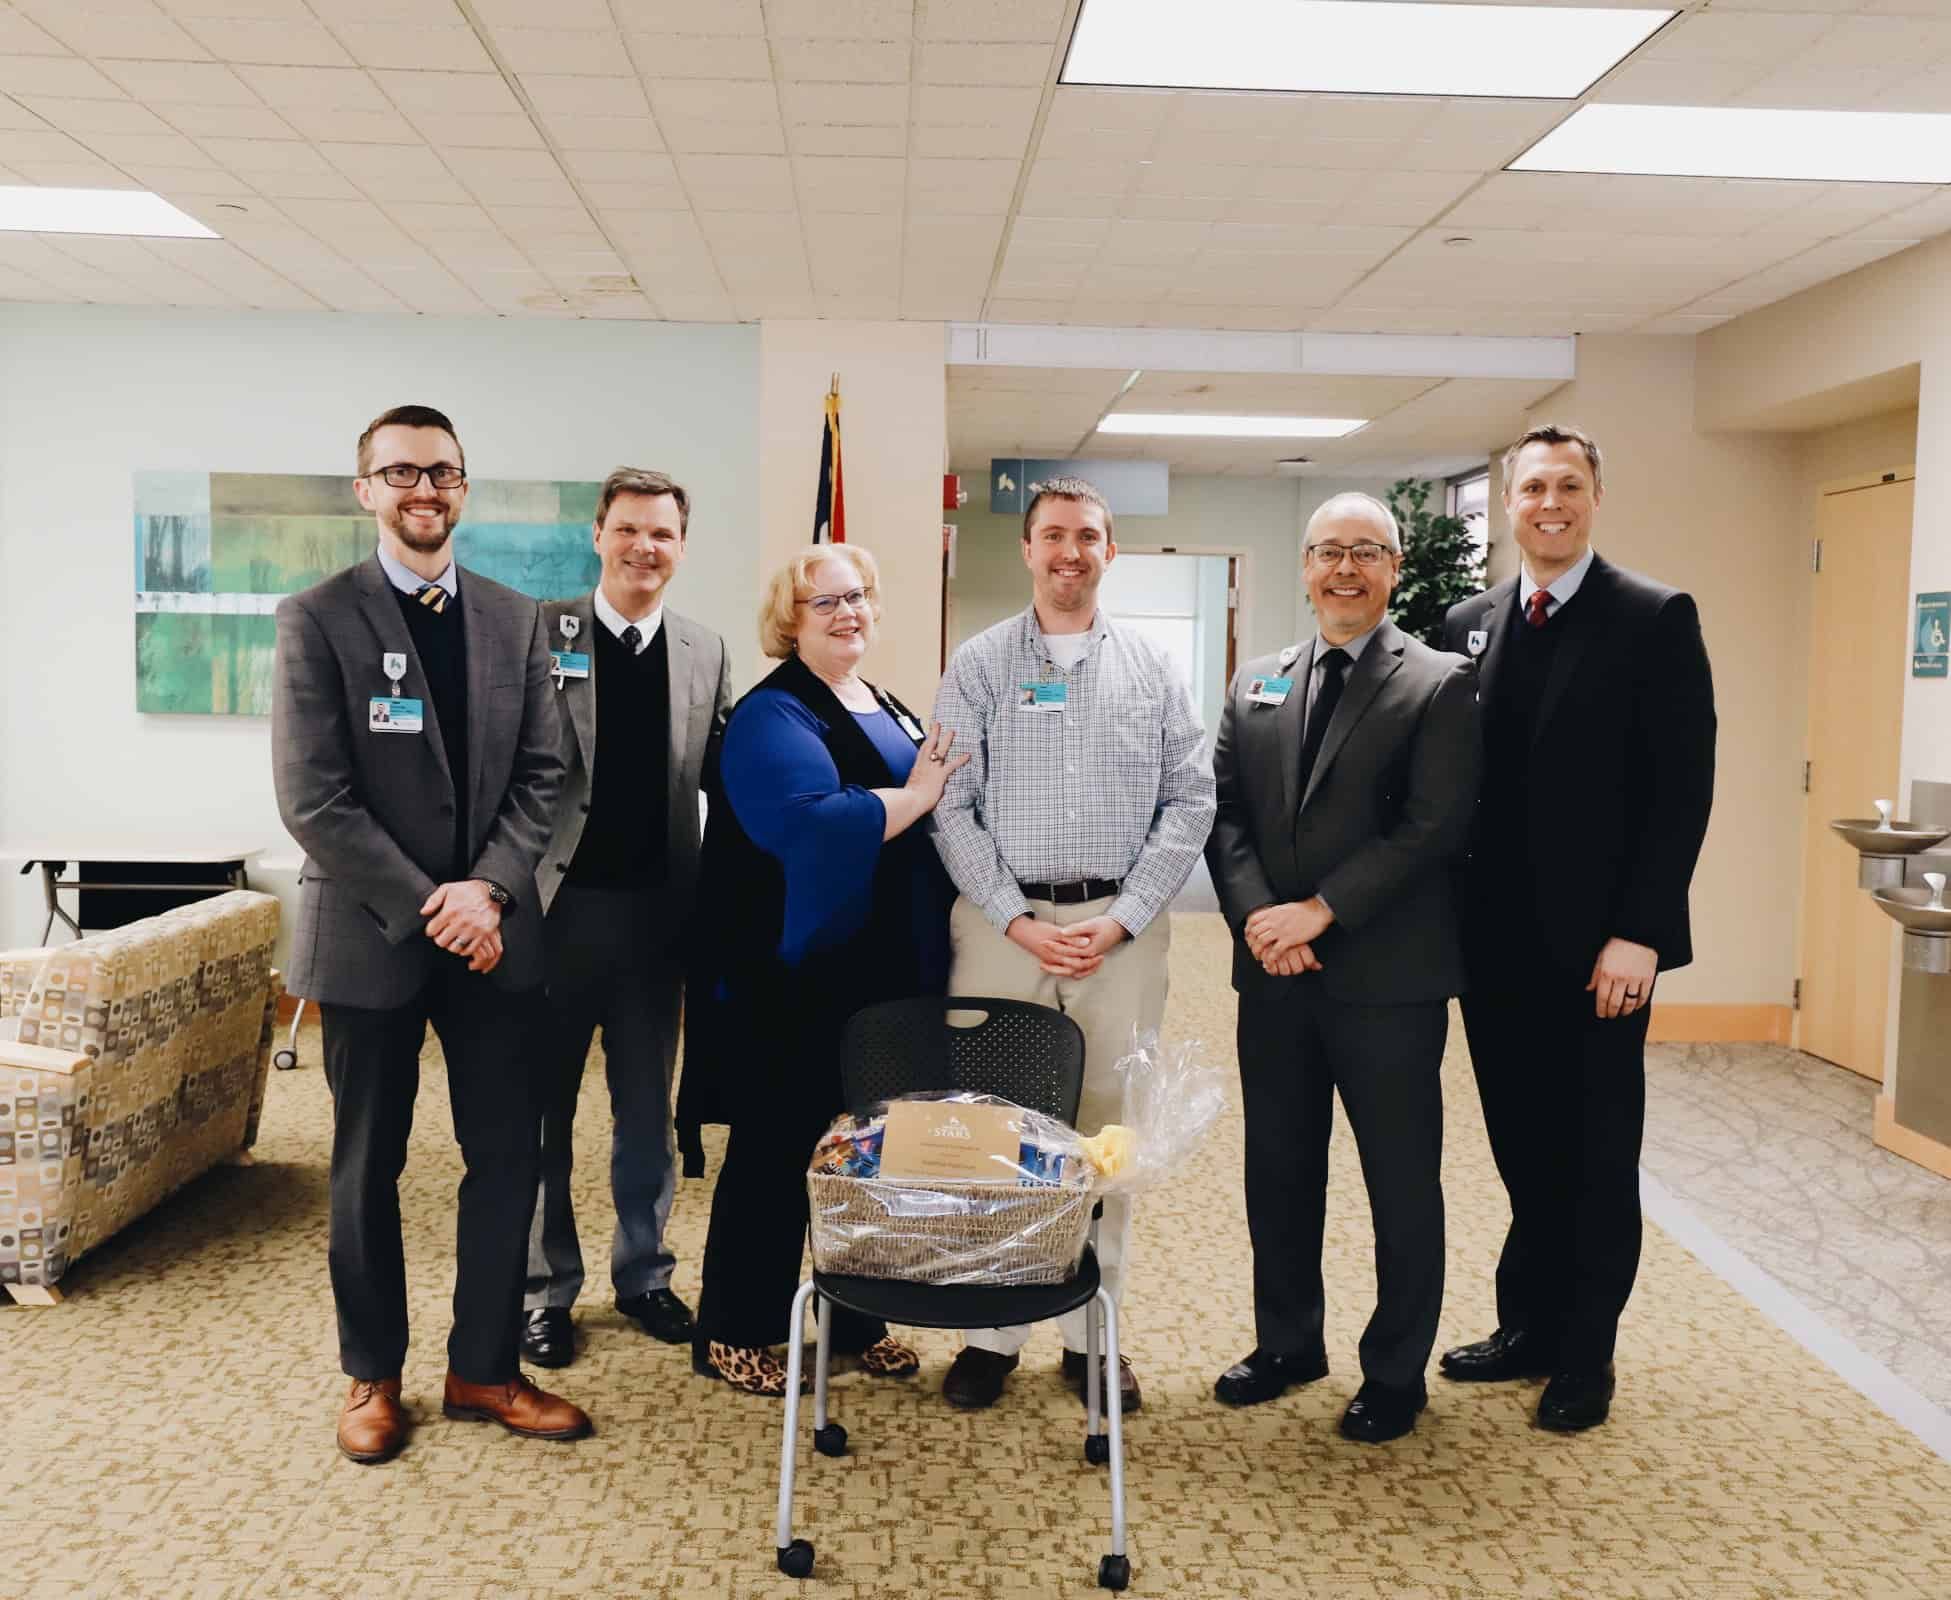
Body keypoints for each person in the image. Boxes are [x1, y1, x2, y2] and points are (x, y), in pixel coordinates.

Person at [271, 403, 589, 1464]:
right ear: (366, 489)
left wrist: (486, 892)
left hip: (493, 937)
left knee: (506, 1157)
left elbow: (543, 775)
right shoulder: (317, 617)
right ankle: (372, 1374)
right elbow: (314, 797)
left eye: (442, 472)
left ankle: (484, 1369)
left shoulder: (514, 617)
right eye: (401, 472)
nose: (424, 489)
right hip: (371, 939)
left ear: (463, 487)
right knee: (366, 1165)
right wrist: (433, 906)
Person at [1440, 424, 1716, 1432]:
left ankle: (1585, 1353)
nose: (1548, 503)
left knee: (1594, 1151)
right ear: (1508, 504)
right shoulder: (1466, 622)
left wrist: (1641, 932)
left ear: (1594, 497)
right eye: (1531, 488)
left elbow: (1679, 790)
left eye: (1567, 486)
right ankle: (1529, 1324)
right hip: (1490, 944)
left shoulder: (1652, 616)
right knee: (1521, 1145)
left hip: (1602, 952)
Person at [930, 475, 1215, 1415]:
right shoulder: (976, 664)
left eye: (1087, 536)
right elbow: (950, 805)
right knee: (996, 1133)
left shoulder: (1153, 667)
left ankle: (1094, 1336)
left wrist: (1123, 916)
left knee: (1107, 1138)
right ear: (1026, 549)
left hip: (1117, 932)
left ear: (1109, 551)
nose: (1069, 552)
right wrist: (1015, 919)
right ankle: (992, 1333)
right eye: (1052, 535)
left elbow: (1190, 800)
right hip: (1000, 931)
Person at [1204, 493, 1481, 1444]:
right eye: (1328, 552)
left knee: (1399, 1183)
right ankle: (1287, 1343)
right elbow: (1225, 813)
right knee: (1278, 1170)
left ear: (1392, 569)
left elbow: (1435, 826)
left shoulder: (1437, 682)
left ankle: (1395, 1372)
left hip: (1386, 982)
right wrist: (1259, 921)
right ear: (1305, 567)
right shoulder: (1256, 680)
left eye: (1366, 552)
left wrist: (1320, 910)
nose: (1345, 570)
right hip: (1274, 978)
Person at [686, 544, 966, 1397]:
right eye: (825, 603)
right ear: (790, 620)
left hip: (883, 973)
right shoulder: (772, 713)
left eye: (857, 596)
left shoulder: (881, 700)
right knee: (777, 1155)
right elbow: (808, 825)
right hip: (797, 977)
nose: (847, 613)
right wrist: (915, 799)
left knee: (866, 1154)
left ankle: (855, 1319)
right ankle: (734, 1330)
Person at [519, 468, 733, 1369]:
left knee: (646, 1117)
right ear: (598, 535)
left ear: (681, 547)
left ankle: (643, 1274)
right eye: (629, 529)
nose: (645, 547)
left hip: (656, 922)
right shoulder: (539, 633)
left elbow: (729, 772)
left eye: (663, 534)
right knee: (541, 1117)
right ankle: (543, 1291)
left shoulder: (704, 649)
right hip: (552, 917)